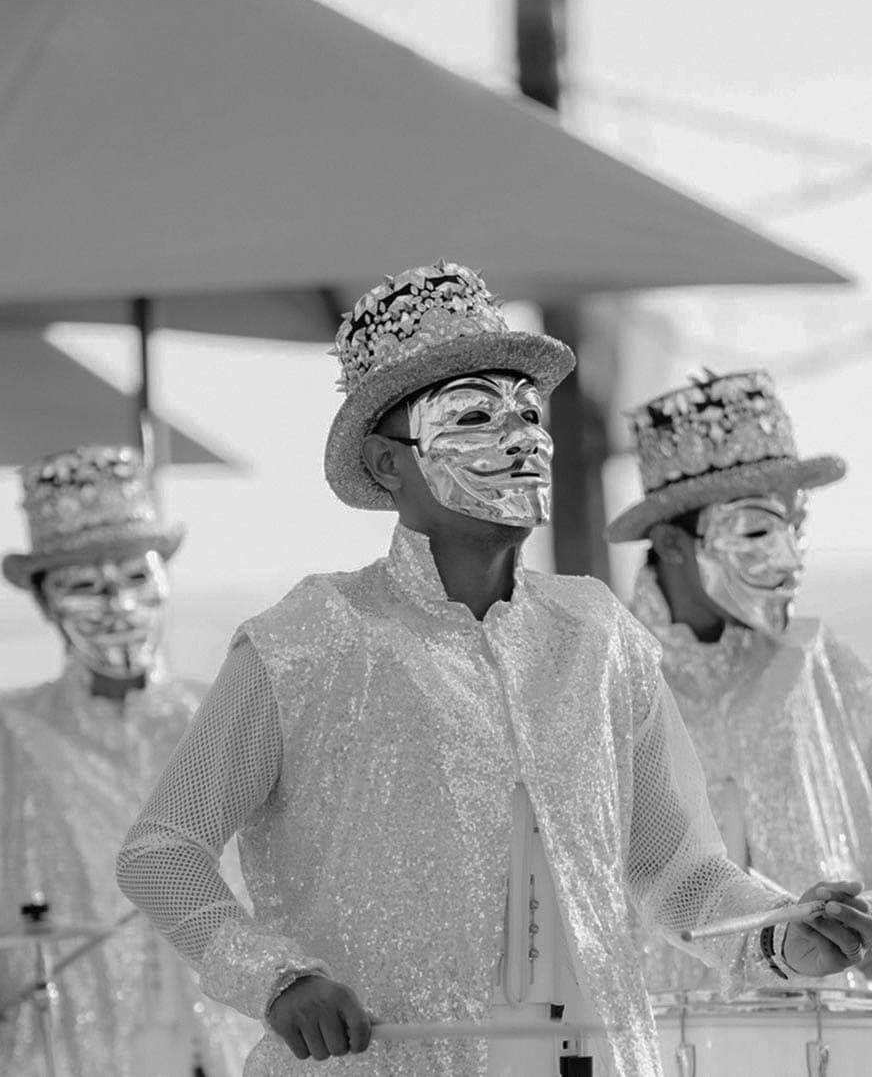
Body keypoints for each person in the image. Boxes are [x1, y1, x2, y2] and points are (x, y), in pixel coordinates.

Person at [117, 264, 872, 1077]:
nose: (522, 440)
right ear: (386, 464)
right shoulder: (306, 641)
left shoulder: (597, 635)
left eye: (529, 412)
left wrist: (784, 936)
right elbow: (162, 850)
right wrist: (276, 980)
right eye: (474, 415)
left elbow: (676, 871)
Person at [606, 368, 872, 993]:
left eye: (795, 529)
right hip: (656, 1021)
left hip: (824, 1021)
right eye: (756, 531)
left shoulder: (823, 666)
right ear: (672, 543)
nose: (789, 560)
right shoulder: (607, 673)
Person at [0, 445, 257, 1077]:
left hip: (227, 1031)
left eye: (135, 578)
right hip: (65, 1033)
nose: (118, 605)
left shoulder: (224, 712)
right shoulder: (11, 728)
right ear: (46, 602)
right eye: (85, 587)